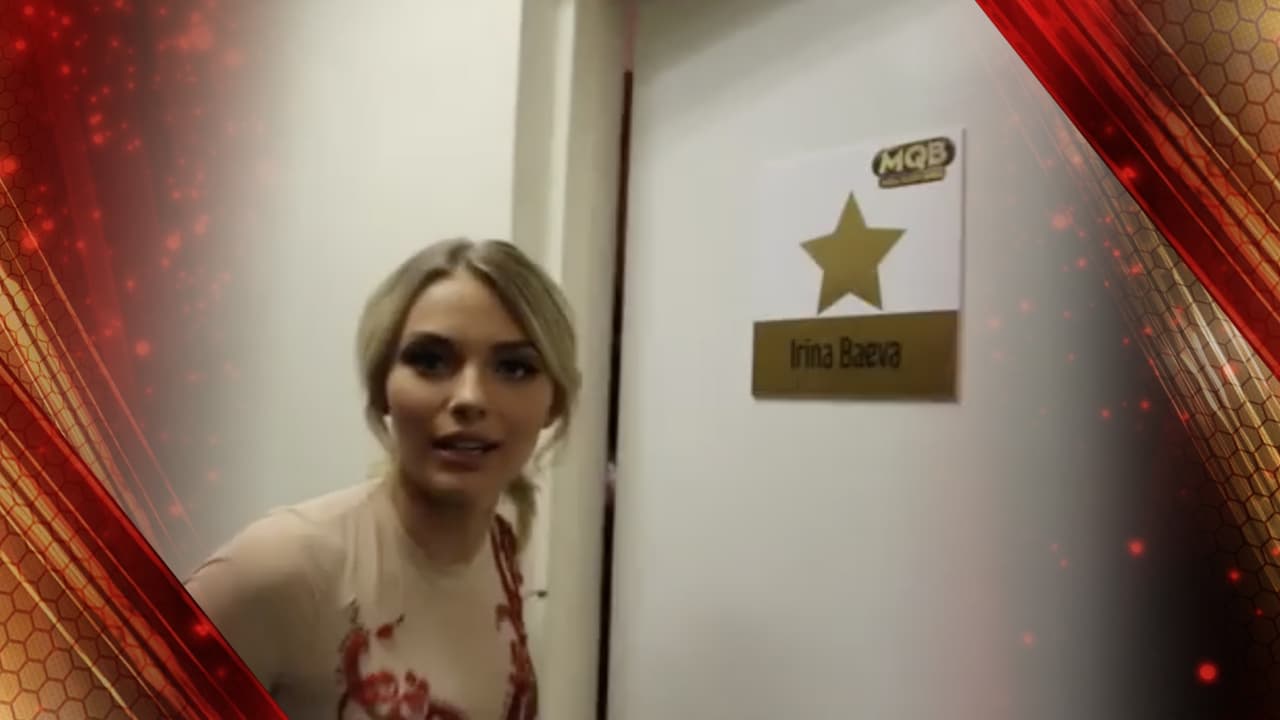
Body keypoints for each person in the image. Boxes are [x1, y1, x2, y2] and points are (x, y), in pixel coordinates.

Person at [184, 238, 580, 720]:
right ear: (380, 388)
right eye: (430, 361)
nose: (470, 398)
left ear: (554, 403)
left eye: (514, 367)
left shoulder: (499, 550)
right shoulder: (281, 568)